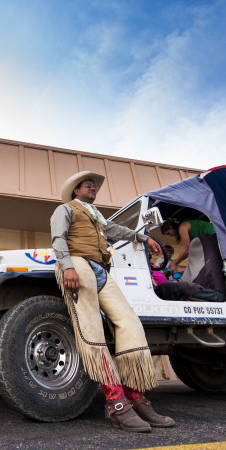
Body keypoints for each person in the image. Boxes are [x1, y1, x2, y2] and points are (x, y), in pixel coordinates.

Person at [51, 171, 175, 433]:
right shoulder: (65, 209)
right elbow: (58, 238)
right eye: (88, 185)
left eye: (94, 186)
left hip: (100, 269)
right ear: (76, 191)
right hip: (78, 264)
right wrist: (67, 266)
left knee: (130, 324)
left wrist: (143, 237)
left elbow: (116, 230)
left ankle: (135, 397)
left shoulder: (96, 216)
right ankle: (115, 402)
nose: (93, 188)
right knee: (92, 329)